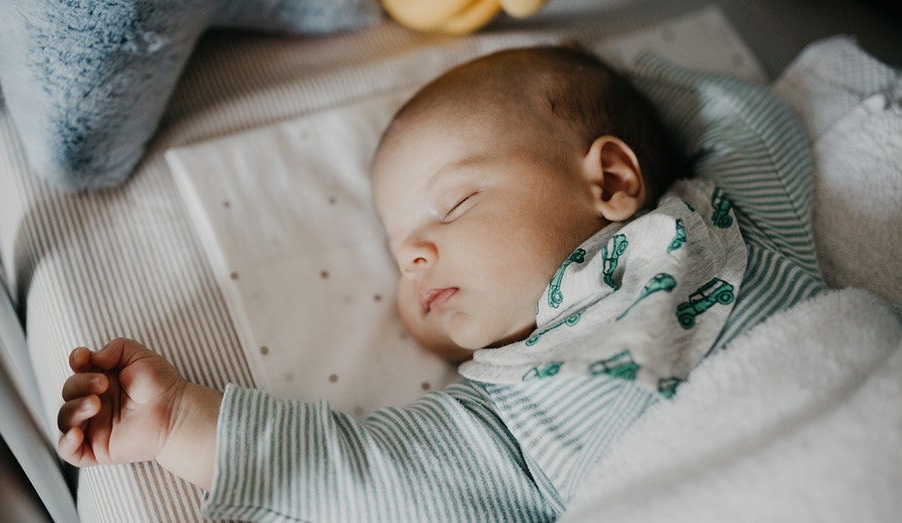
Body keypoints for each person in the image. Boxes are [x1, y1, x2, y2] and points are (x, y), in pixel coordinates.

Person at [57, 45, 823, 522]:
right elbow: (363, 481)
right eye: (398, 255)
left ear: (613, 175)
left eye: (453, 204)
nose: (415, 255)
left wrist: (614, 72)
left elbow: (747, 117)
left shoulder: (724, 223)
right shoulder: (504, 407)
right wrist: (182, 420)